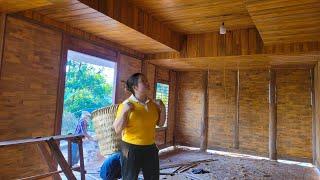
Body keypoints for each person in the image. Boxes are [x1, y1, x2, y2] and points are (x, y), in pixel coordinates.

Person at [113, 73, 166, 180]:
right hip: (130, 148)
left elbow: (160, 124)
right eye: (143, 81)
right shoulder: (126, 104)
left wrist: (163, 108)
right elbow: (117, 129)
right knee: (130, 178)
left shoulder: (152, 104)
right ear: (135, 87)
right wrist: (124, 111)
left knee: (152, 178)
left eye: (147, 80)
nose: (147, 83)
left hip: (150, 147)